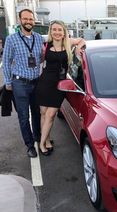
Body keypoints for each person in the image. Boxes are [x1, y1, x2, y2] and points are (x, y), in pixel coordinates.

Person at [35, 20, 85, 156]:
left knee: (51, 115)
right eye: (54, 29)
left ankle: (41, 143)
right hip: (45, 83)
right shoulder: (46, 44)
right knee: (44, 113)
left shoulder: (68, 43)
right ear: (51, 31)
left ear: (64, 32)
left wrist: (79, 48)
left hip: (59, 85)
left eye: (60, 30)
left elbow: (81, 40)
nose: (57, 32)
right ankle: (47, 140)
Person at [2, 8, 44, 157]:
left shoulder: (39, 38)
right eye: (25, 19)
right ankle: (29, 144)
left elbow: (43, 57)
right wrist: (8, 82)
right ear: (20, 20)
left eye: (31, 19)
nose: (28, 21)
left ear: (34, 21)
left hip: (36, 82)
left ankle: (38, 137)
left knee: (37, 113)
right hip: (19, 84)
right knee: (24, 116)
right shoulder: (11, 39)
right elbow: (6, 62)